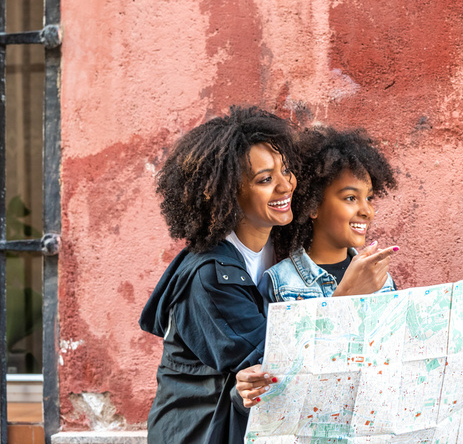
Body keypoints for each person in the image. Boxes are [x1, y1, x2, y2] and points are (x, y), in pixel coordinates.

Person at [139, 107, 396, 444]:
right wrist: (348, 296)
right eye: (265, 179)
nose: (285, 185)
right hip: (202, 433)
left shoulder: (280, 244)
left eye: (286, 170)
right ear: (229, 193)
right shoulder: (211, 277)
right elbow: (281, 368)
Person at [259, 126, 398, 302]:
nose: (366, 211)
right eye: (350, 198)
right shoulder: (280, 283)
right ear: (313, 206)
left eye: (369, 198)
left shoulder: (380, 280)